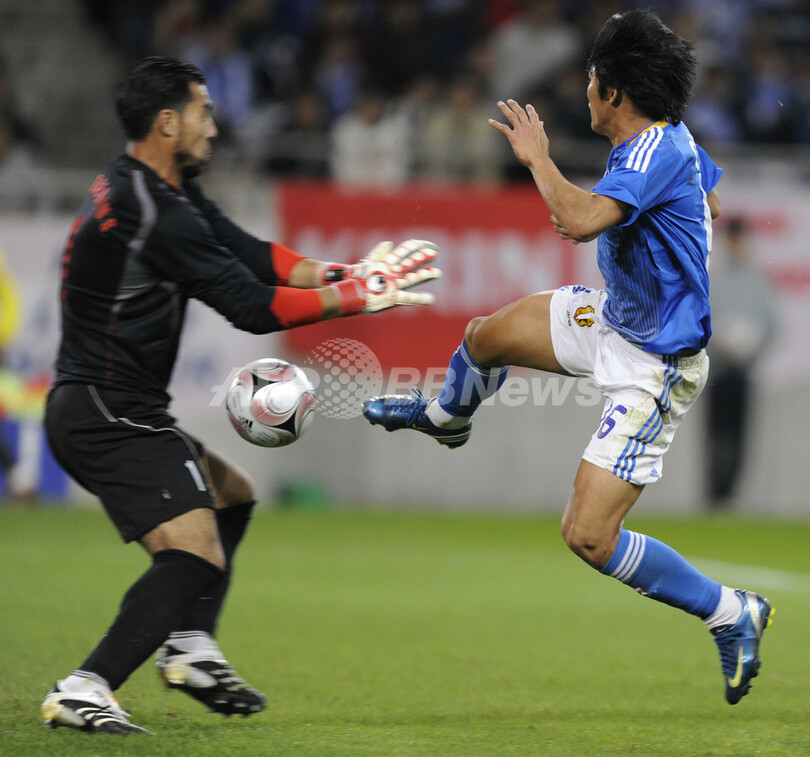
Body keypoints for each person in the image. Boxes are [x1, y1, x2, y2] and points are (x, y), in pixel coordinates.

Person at [362, 10, 773, 705]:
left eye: (592, 78)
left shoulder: (650, 150)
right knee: (486, 335)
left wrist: (536, 158)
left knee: (587, 534)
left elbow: (578, 220)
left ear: (615, 94)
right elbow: (711, 190)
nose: (584, 88)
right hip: (614, 320)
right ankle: (445, 418)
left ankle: (731, 611)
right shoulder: (665, 143)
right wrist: (686, 224)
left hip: (657, 363)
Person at [40, 56, 439, 735]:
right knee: (193, 552)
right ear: (168, 123)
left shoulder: (153, 191)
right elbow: (252, 305)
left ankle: (190, 646)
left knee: (233, 494)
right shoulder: (151, 212)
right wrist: (355, 299)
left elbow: (256, 255)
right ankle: (86, 685)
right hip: (106, 409)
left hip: (112, 405)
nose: (215, 127)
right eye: (204, 111)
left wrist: (353, 271)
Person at [704, 216, 775, 507]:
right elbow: (701, 323)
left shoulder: (757, 284)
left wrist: (752, 345)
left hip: (744, 372)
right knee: (715, 435)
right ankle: (715, 495)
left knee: (740, 437)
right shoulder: (714, 281)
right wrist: (719, 342)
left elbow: (770, 324)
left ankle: (731, 496)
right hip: (717, 372)